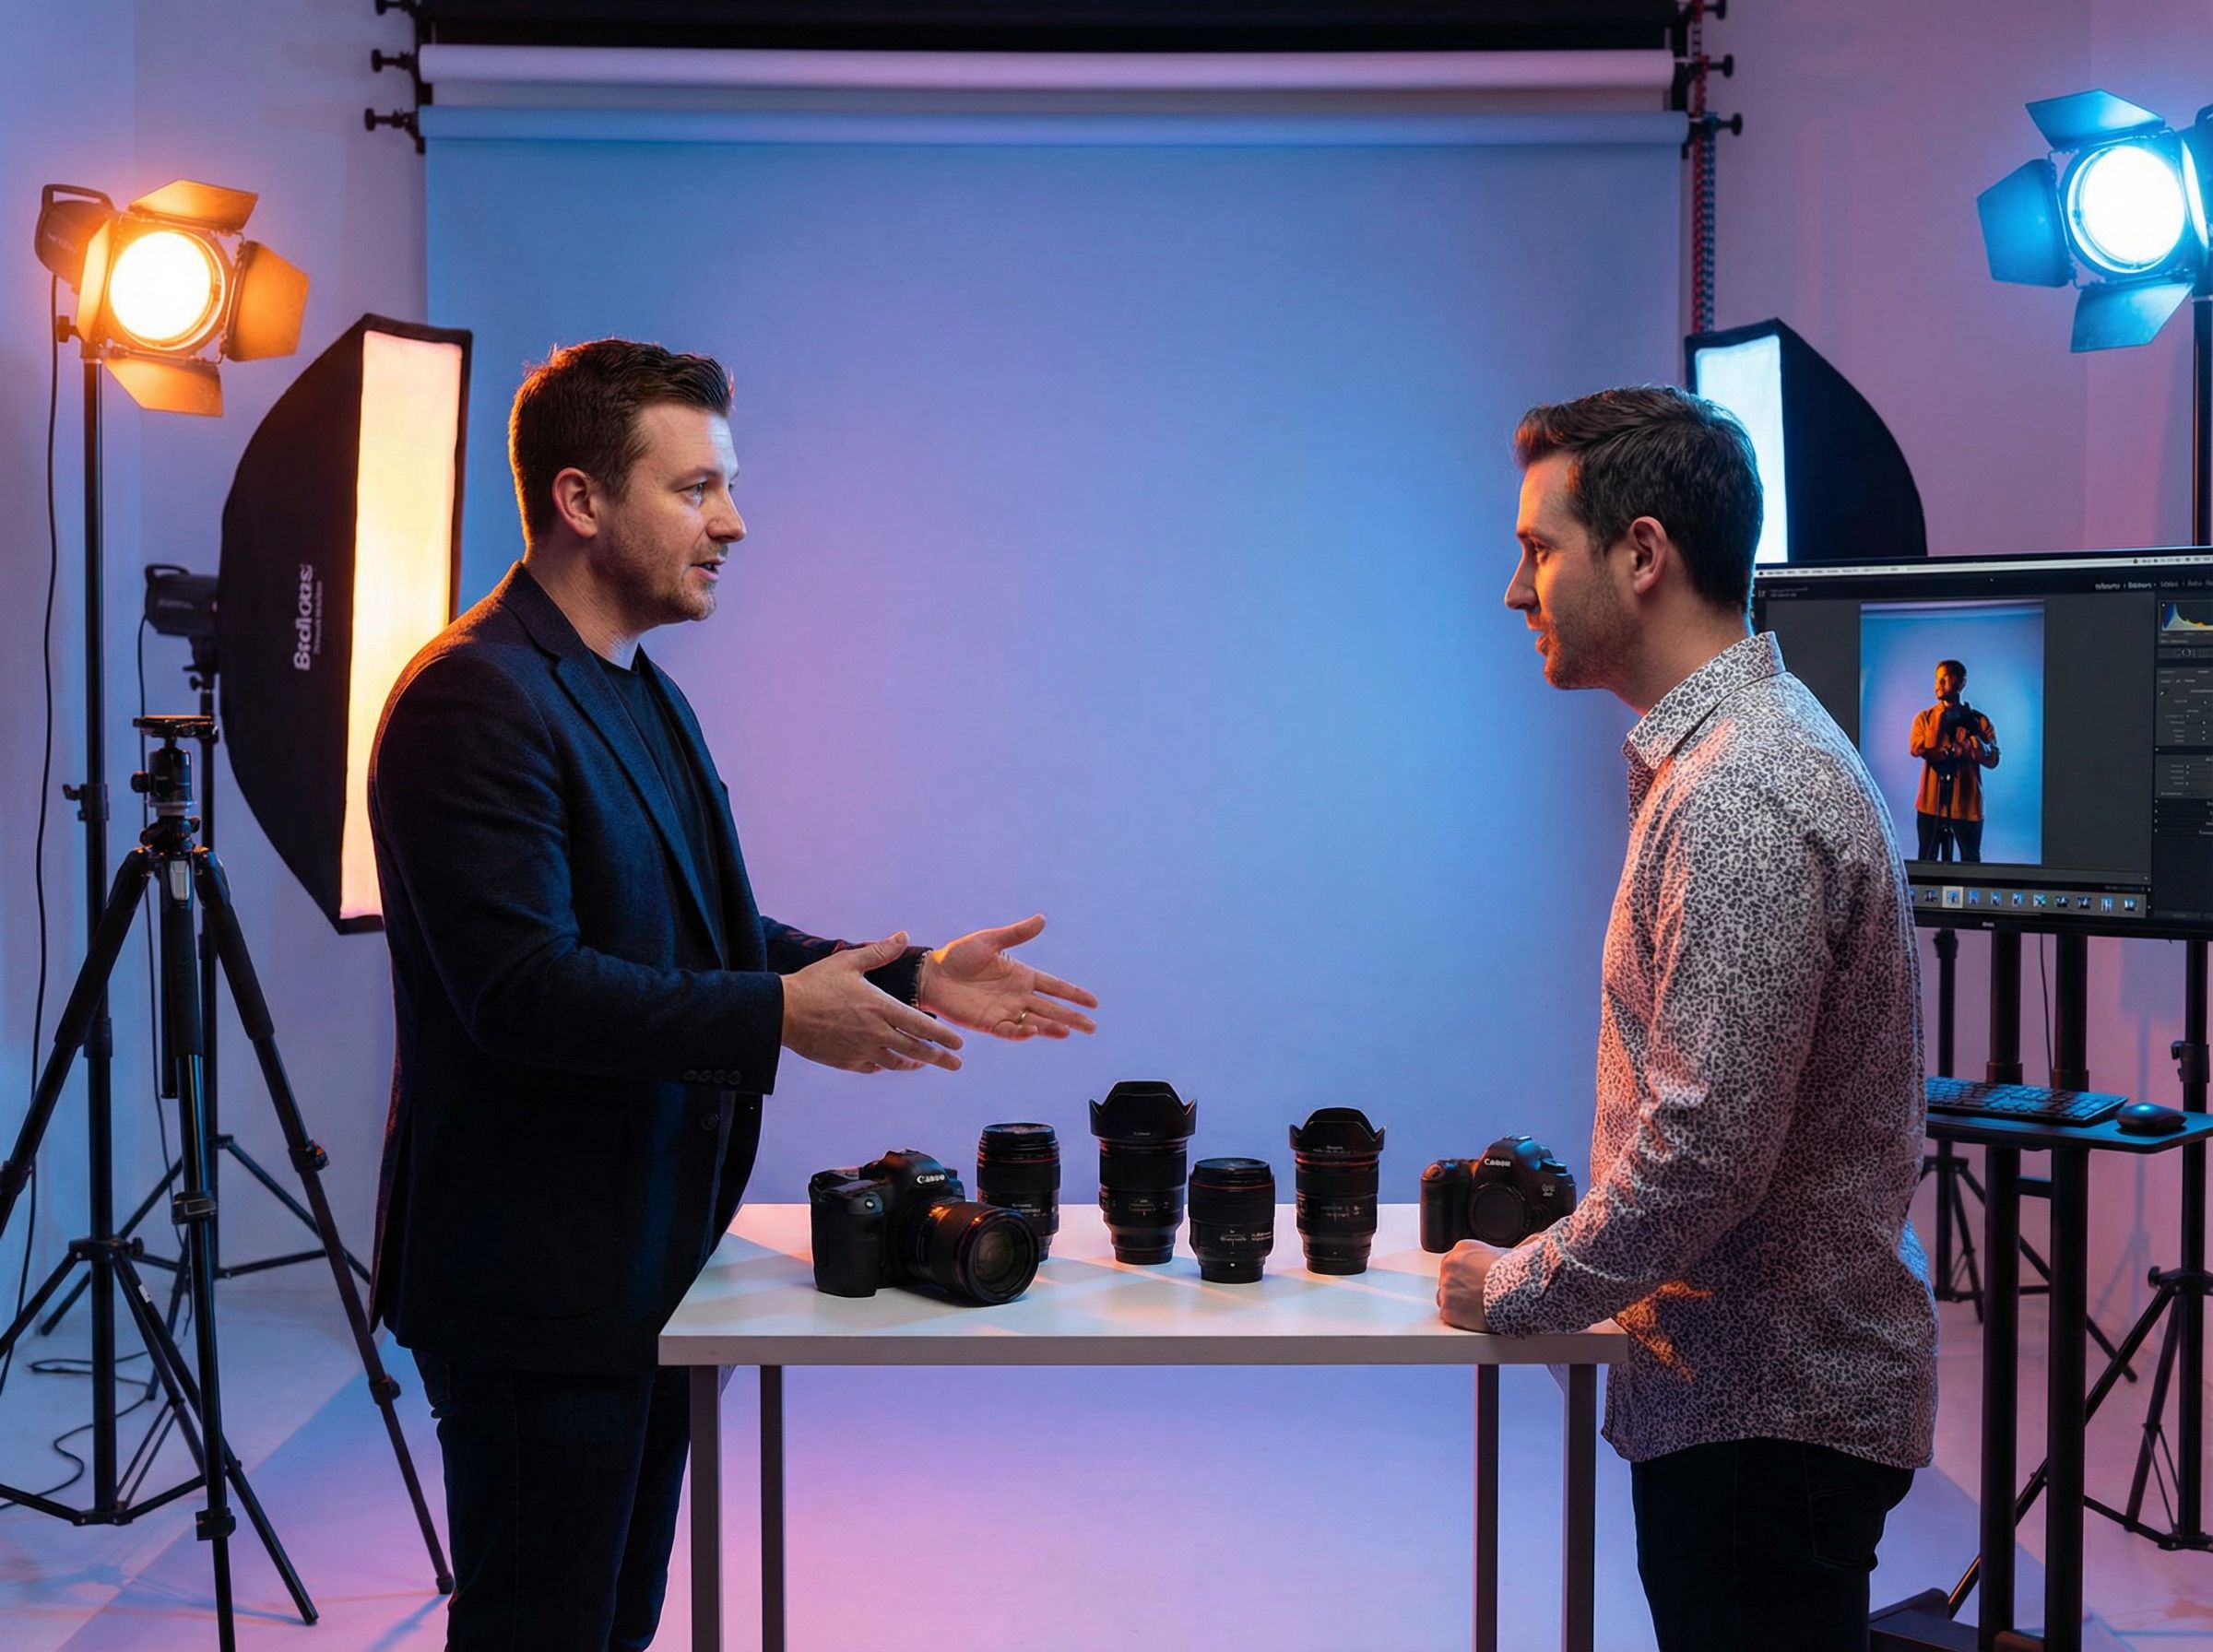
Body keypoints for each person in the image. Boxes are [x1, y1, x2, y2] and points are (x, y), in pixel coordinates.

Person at [367, 338, 1099, 1651]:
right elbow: (521, 992)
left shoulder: (637, 692)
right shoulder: (470, 699)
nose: (735, 523)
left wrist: (913, 971)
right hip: (537, 1284)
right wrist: (775, 1020)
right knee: (544, 1629)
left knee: (613, 1623)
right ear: (584, 501)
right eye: (697, 488)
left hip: (644, 1264)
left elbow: (708, 932)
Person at [1435, 386, 1937, 1652]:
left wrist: (1519, 1285)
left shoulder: (1741, 798)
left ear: (1643, 553)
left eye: (1539, 551)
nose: (1516, 591)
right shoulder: (1734, 765)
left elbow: (1707, 1155)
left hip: (1767, 1425)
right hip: (1760, 1417)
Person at [1909, 658, 1999, 862]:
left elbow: (1993, 759)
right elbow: (1920, 749)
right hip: (1930, 805)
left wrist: (1974, 733)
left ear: (1960, 683)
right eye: (1936, 679)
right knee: (1927, 861)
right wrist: (1941, 719)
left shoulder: (1979, 720)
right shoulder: (1924, 718)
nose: (1937, 685)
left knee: (1970, 863)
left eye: (1944, 679)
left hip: (1967, 808)